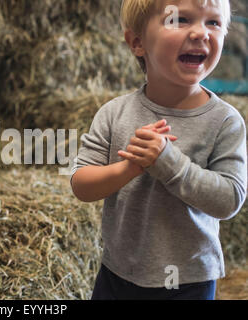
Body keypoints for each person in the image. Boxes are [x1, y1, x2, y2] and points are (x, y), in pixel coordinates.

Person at [70, 0, 247, 300]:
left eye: (213, 23)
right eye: (180, 20)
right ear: (138, 42)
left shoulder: (225, 122)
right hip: (118, 273)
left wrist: (168, 163)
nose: (201, 33)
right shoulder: (114, 113)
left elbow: (229, 199)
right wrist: (130, 168)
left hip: (189, 281)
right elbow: (81, 184)